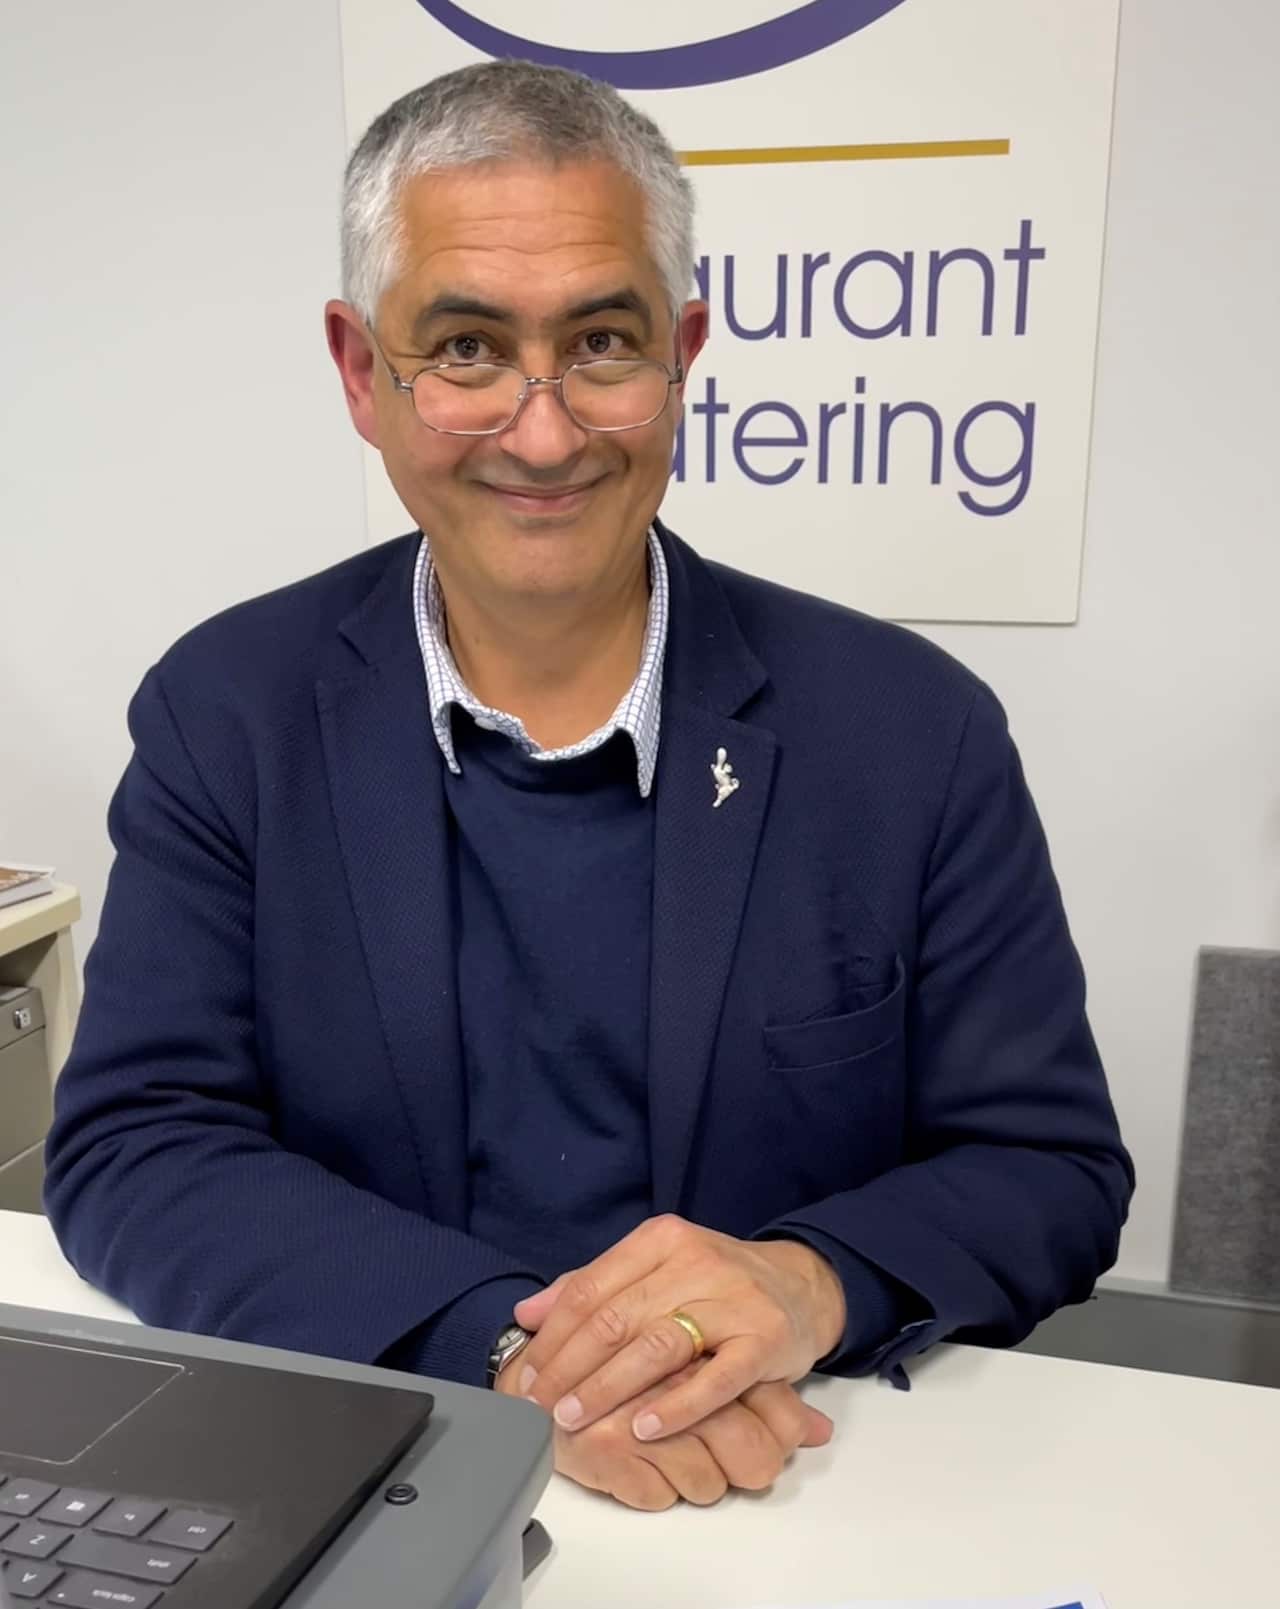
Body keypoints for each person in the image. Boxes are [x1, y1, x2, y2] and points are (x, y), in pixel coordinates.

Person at [44, 60, 1134, 1513]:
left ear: (684, 354)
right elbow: (138, 1143)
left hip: (788, 1490)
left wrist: (806, 1282)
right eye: (467, 349)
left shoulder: (911, 731)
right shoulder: (227, 712)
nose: (545, 432)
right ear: (361, 373)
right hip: (385, 1463)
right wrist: (501, 1353)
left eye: (603, 343)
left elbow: (1048, 1166)